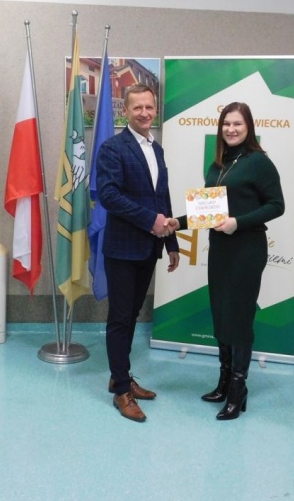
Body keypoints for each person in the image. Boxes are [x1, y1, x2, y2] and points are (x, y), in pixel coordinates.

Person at [167, 101, 284, 420]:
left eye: (238, 124)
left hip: (247, 249)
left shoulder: (259, 162)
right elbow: (209, 212)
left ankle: (238, 389)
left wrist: (238, 222)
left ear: (249, 128)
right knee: (221, 315)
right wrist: (179, 222)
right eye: (226, 124)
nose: (231, 129)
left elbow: (277, 205)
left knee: (239, 318)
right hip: (220, 248)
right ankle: (223, 382)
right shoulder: (218, 164)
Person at [96, 84, 180, 423]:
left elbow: (162, 197)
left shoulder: (156, 149)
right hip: (122, 249)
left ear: (155, 109)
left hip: (149, 247)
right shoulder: (112, 148)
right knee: (120, 318)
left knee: (131, 315)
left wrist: (171, 243)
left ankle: (120, 376)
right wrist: (151, 220)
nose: (144, 113)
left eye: (149, 107)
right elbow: (109, 196)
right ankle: (121, 391)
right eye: (137, 108)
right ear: (125, 111)